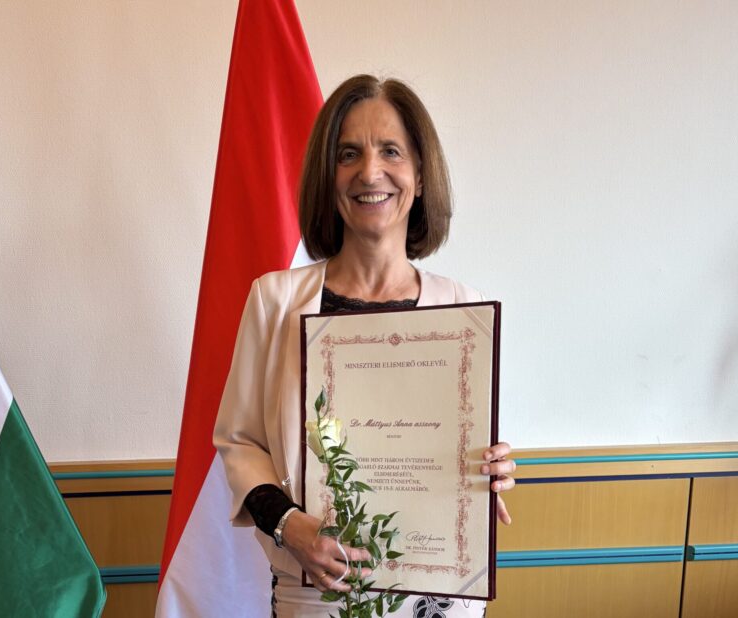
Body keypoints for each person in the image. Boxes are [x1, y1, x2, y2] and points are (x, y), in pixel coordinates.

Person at [214, 74, 516, 618]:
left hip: (439, 598)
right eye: (348, 153)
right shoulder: (275, 301)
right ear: (328, 177)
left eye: (390, 151)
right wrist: (289, 525)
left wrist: (491, 468)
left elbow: (469, 446)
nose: (370, 172)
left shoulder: (464, 308)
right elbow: (239, 443)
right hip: (316, 593)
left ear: (420, 176)